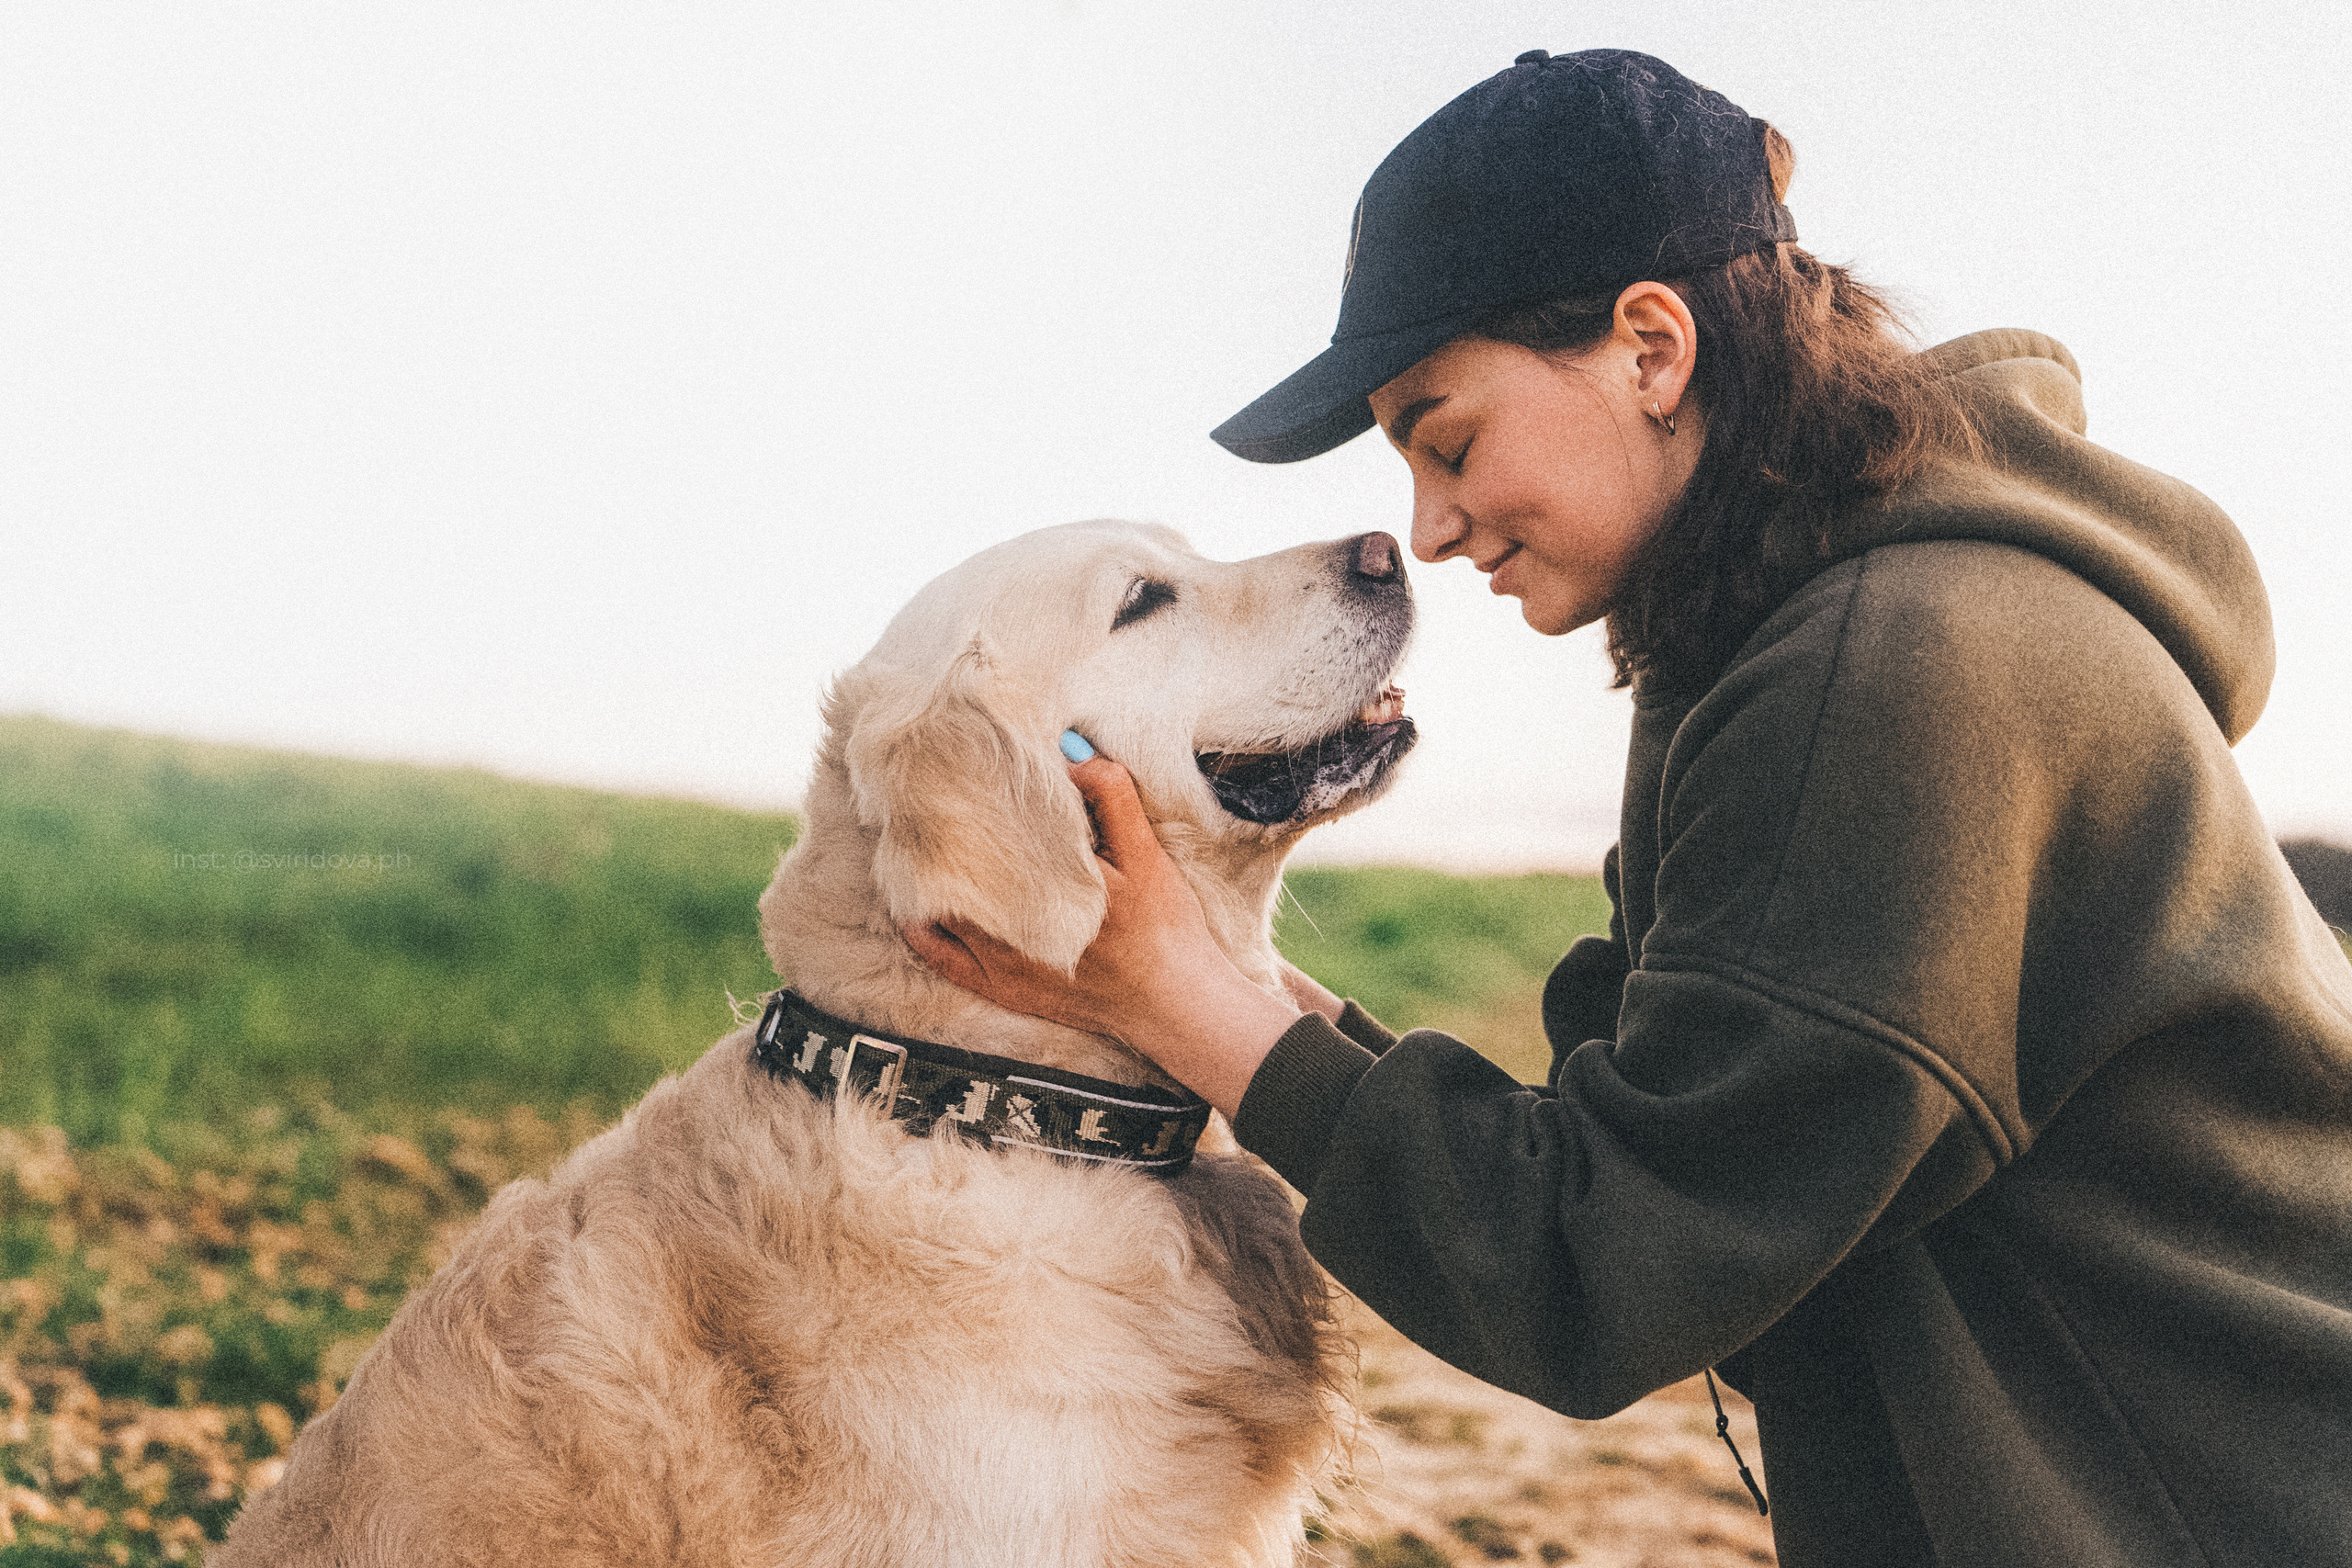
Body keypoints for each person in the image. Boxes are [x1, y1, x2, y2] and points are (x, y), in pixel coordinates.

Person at [903, 49, 2352, 1568]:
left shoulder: (1898, 676)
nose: (1430, 527)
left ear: (1652, 348)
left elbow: (1598, 1267)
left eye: (1446, 439)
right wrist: (1204, 985)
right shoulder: (1799, 628)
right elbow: (1634, 1115)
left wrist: (1204, 1014)